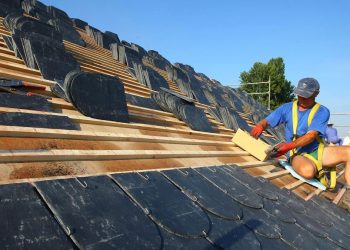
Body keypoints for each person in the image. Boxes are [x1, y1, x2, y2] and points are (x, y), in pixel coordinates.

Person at [250, 77, 350, 189]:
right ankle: (312, 168)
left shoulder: (322, 111)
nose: (302, 99)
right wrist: (261, 125)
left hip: (317, 151)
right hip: (297, 154)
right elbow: (267, 121)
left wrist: (288, 146)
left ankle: (348, 187)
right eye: (299, 95)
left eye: (306, 96)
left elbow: (311, 136)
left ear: (316, 94)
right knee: (308, 172)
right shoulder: (286, 108)